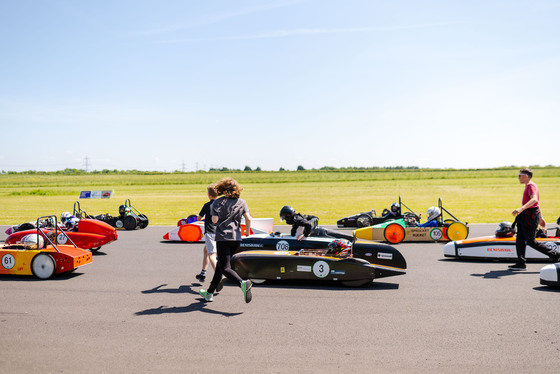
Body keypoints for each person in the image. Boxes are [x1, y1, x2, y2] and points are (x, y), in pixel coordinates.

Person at [199, 178, 253, 303]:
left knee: (225, 268)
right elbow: (248, 219)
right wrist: (246, 231)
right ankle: (209, 293)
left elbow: (214, 220)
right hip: (236, 238)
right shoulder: (242, 202)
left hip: (223, 238)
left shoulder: (217, 202)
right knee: (220, 266)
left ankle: (242, 284)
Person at [509, 168, 560, 270]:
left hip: (530, 216)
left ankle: (556, 255)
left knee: (531, 241)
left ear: (526, 176)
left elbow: (534, 200)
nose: (518, 177)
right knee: (520, 240)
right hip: (528, 215)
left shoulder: (530, 185)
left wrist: (521, 208)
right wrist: (540, 216)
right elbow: (537, 202)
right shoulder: (530, 185)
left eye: (520, 175)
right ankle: (521, 263)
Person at [279, 205, 353, 241]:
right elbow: (314, 217)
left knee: (342, 241)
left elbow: (307, 224)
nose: (284, 219)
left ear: (288, 216)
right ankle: (353, 238)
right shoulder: (298, 218)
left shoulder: (297, 220)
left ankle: (354, 240)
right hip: (317, 230)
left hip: (319, 233)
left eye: (284, 217)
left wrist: (304, 235)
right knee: (348, 239)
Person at [195, 184, 218, 282]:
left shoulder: (207, 205)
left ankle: (219, 275)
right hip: (218, 232)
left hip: (210, 232)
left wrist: (202, 218)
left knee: (212, 254)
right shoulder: (220, 204)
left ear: (209, 195)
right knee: (206, 251)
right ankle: (203, 273)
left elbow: (199, 218)